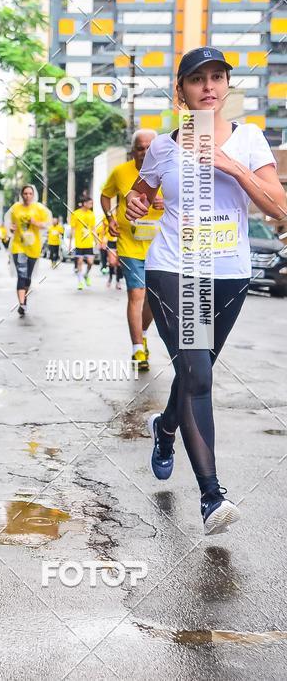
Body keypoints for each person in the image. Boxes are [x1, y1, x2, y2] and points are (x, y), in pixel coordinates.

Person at [126, 46, 286, 534]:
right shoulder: (162, 147)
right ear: (182, 91)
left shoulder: (250, 139)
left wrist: (230, 166)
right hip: (175, 270)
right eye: (198, 79)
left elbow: (279, 209)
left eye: (218, 77)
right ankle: (212, 497)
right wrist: (135, 202)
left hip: (230, 273)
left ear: (227, 88)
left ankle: (166, 428)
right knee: (198, 376)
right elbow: (143, 192)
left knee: (194, 375)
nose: (210, 86)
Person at [101, 131, 164, 370]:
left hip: (160, 246)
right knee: (136, 294)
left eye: (150, 147)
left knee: (152, 298)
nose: (145, 152)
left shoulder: (168, 171)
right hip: (129, 243)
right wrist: (110, 219)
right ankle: (138, 349)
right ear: (133, 150)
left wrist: (165, 202)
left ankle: (143, 332)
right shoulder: (120, 172)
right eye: (140, 148)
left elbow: (186, 202)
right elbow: (105, 196)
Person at [7, 185, 51, 316]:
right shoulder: (15, 208)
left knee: (27, 278)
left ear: (33, 195)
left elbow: (47, 224)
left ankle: (24, 300)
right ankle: (21, 303)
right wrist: (11, 229)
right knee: (21, 275)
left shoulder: (39, 208)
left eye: (30, 193)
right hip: (18, 246)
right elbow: (9, 224)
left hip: (33, 246)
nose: (27, 196)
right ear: (21, 194)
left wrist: (35, 222)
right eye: (25, 193)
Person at [70, 196, 96, 290]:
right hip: (79, 243)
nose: (91, 205)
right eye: (90, 203)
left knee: (90, 262)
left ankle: (86, 275)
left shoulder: (91, 214)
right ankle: (80, 281)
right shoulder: (76, 214)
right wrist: (70, 243)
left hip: (89, 243)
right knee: (80, 262)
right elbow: (72, 229)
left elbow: (93, 229)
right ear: (84, 203)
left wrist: (96, 241)